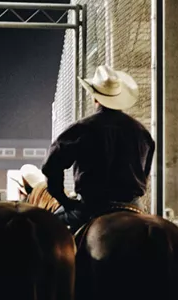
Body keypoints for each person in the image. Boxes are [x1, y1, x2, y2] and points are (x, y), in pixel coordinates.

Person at [41, 65, 155, 232]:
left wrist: (63, 199)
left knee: (44, 227)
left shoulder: (82, 128)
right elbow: (145, 173)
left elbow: (51, 165)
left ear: (95, 98)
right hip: (133, 205)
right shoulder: (142, 132)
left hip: (92, 206)